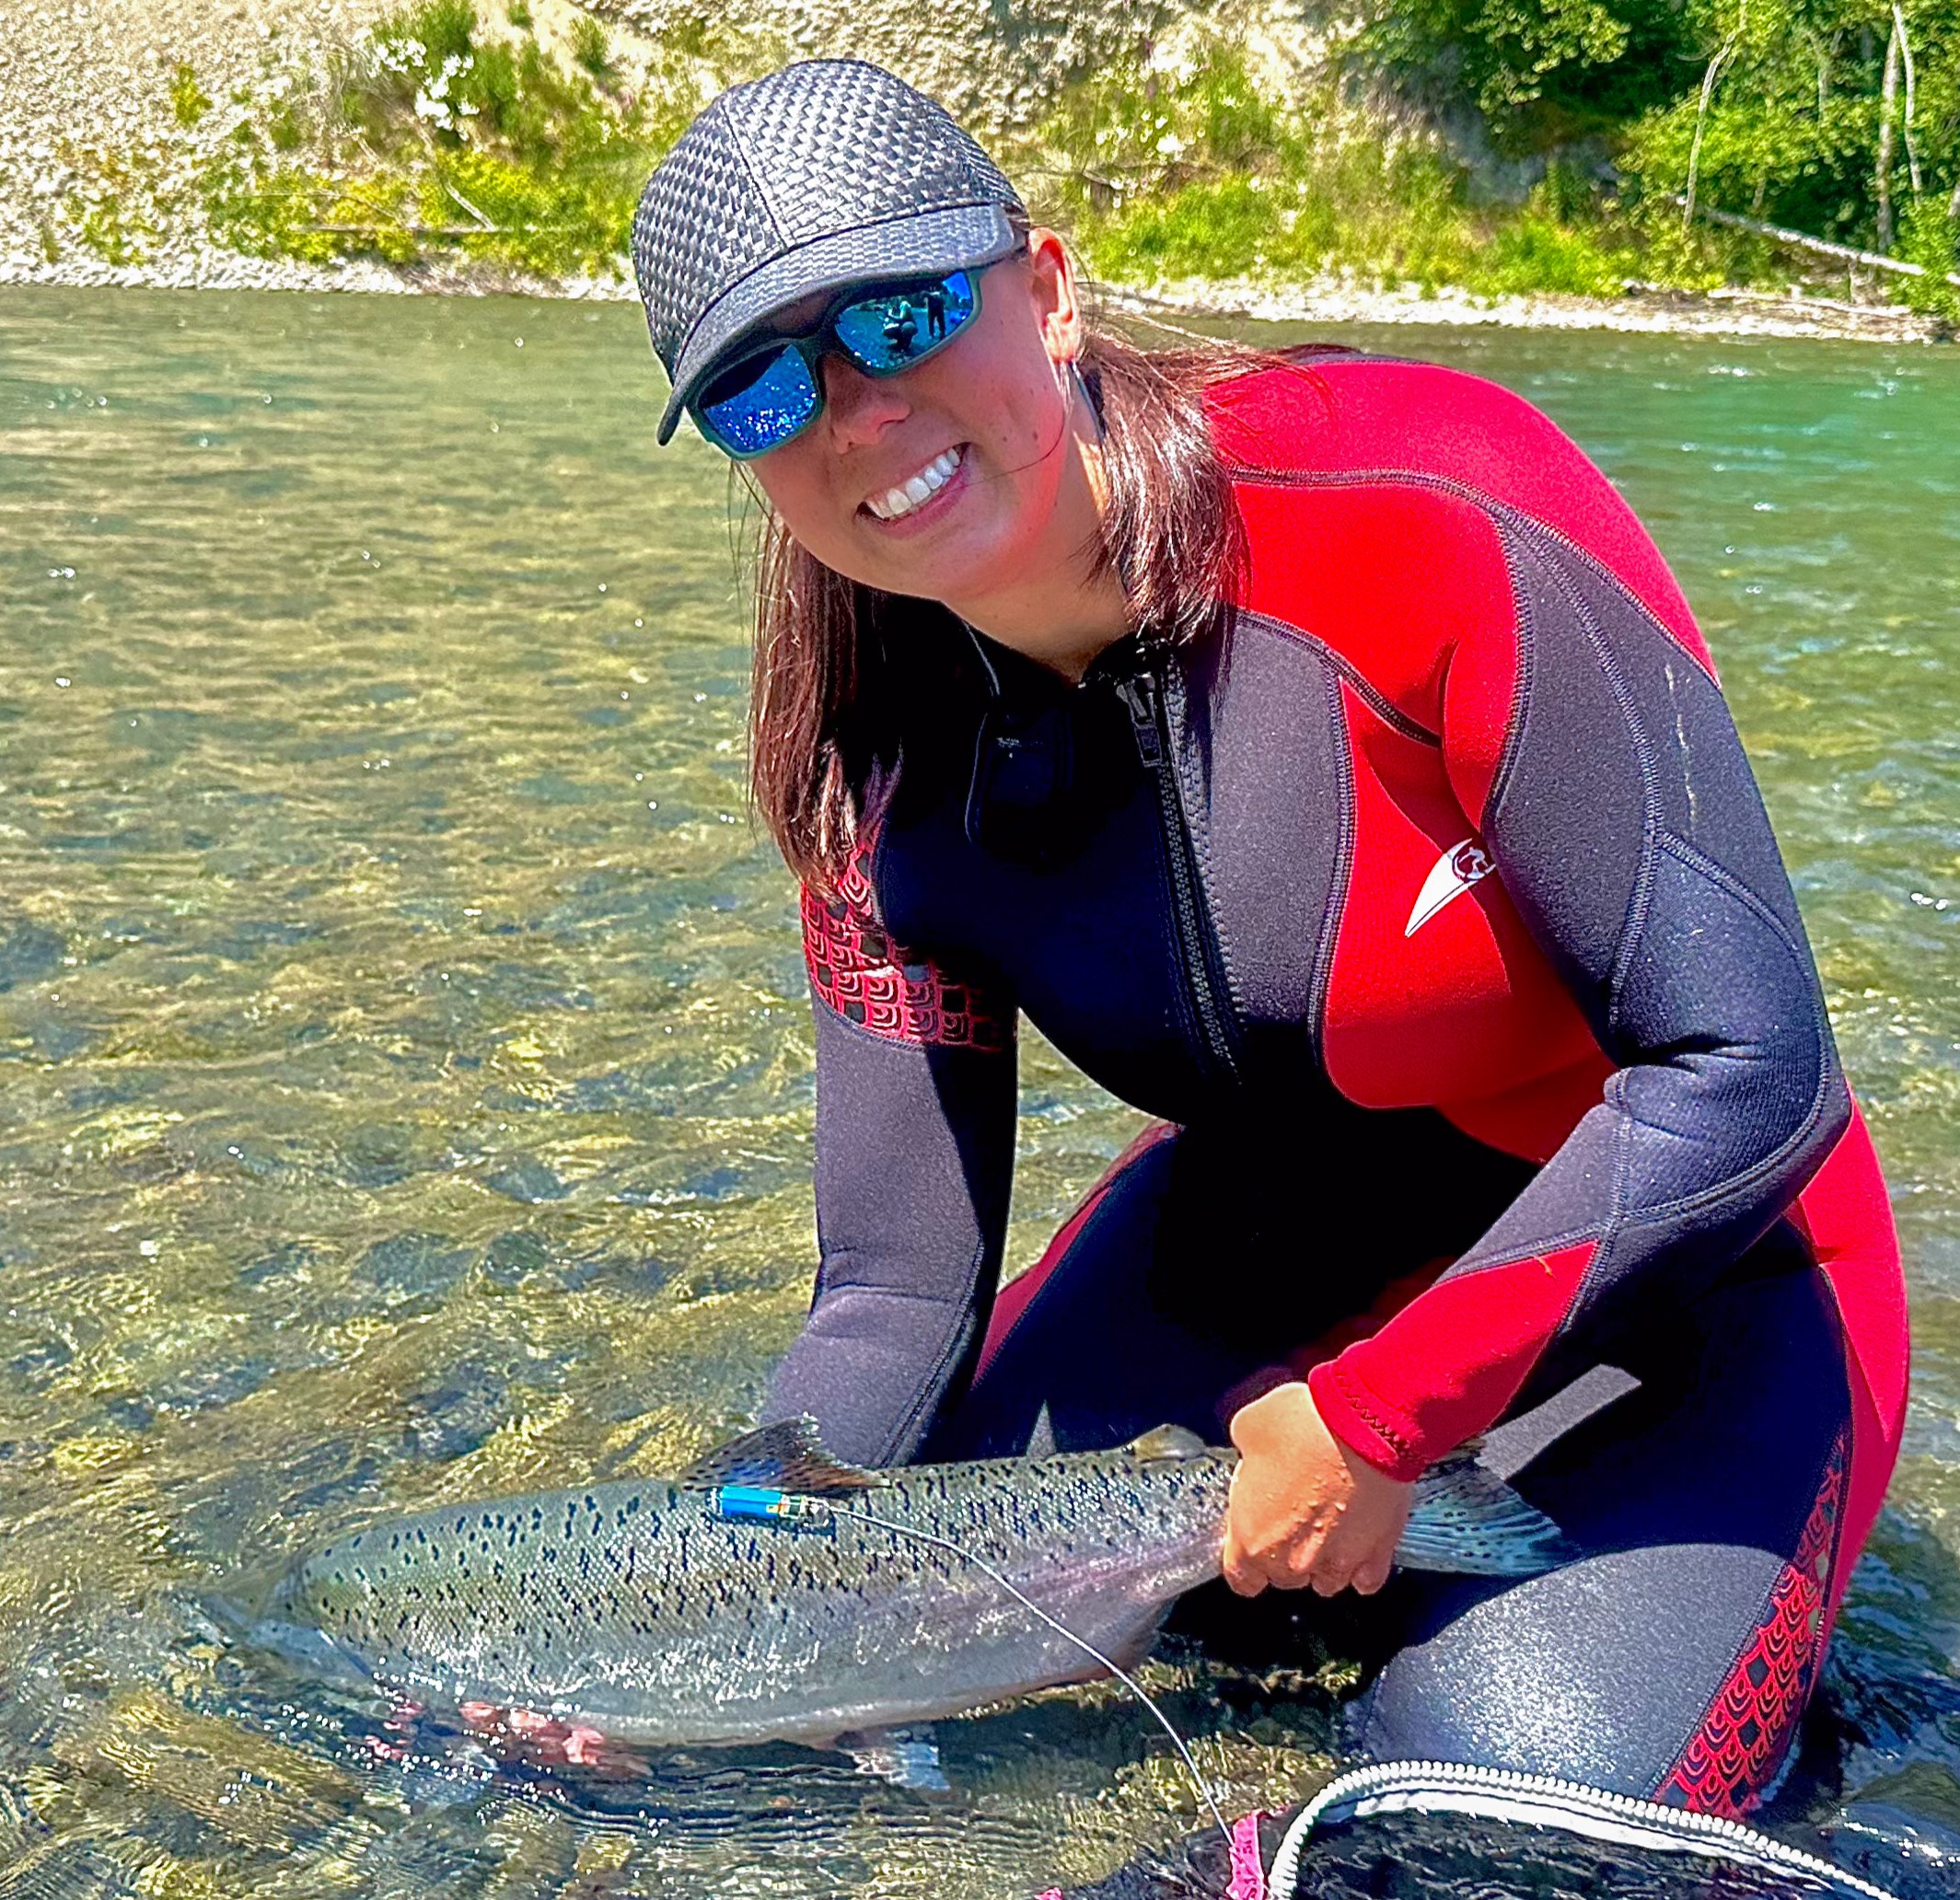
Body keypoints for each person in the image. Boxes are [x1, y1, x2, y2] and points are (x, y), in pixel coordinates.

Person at [628, 59, 1907, 1813]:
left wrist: (1379, 1424)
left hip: (1699, 1270)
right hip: (1258, 1253)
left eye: (900, 315)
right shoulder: (867, 759)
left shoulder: (1427, 503)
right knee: (886, 1608)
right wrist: (684, 1613)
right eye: (764, 387)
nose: (856, 412)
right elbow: (893, 1291)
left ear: (1046, 289)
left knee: (1488, 1814)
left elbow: (1751, 1071)